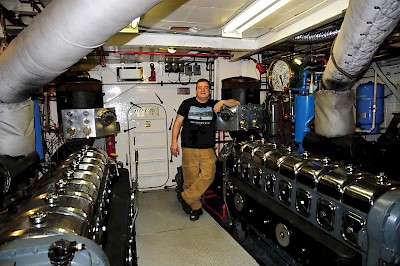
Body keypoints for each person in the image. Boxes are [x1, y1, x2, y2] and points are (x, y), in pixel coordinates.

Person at [170, 78, 240, 221]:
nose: (202, 90)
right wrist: (173, 143)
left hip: (207, 148)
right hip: (189, 147)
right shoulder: (187, 104)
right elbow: (177, 123)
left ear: (209, 90)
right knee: (190, 180)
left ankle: (185, 197)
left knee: (209, 175)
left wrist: (223, 102)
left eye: (205, 87)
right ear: (196, 90)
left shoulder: (214, 104)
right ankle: (195, 209)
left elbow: (237, 104)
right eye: (200, 87)